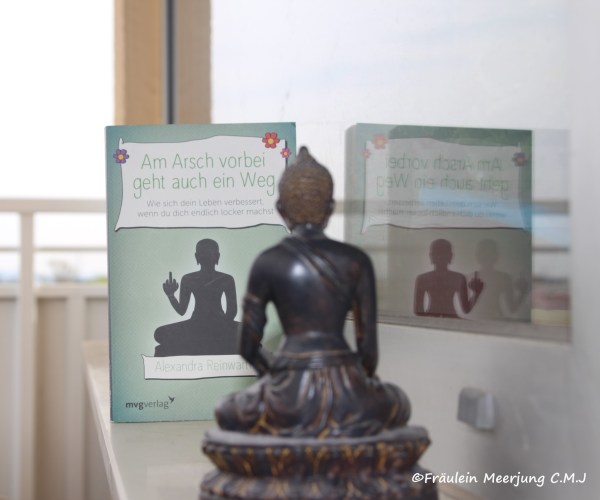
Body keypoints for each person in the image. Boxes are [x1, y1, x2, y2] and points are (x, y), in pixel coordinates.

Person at [215, 147, 410, 438]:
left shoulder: (268, 261)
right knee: (398, 404)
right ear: (330, 209)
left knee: (228, 410)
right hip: (345, 383)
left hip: (287, 383)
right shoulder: (356, 261)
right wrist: (355, 384)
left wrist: (275, 375)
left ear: (281, 209)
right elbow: (368, 354)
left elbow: (247, 347)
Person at [154, 238, 239, 356]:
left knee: (252, 333)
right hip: (196, 324)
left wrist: (221, 326)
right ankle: (214, 340)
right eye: (203, 254)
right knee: (160, 334)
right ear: (197, 256)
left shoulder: (226, 279)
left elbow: (232, 311)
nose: (206, 257)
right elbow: (182, 310)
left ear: (217, 256)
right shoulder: (188, 279)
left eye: (209, 254)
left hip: (219, 325)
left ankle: (210, 339)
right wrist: (171, 295)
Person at [413, 238, 483, 318]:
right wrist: (476, 293)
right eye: (438, 253)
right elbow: (418, 311)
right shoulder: (423, 279)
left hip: (438, 321)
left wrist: (476, 293)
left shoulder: (423, 279)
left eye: (443, 253)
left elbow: (466, 309)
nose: (440, 257)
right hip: (447, 320)